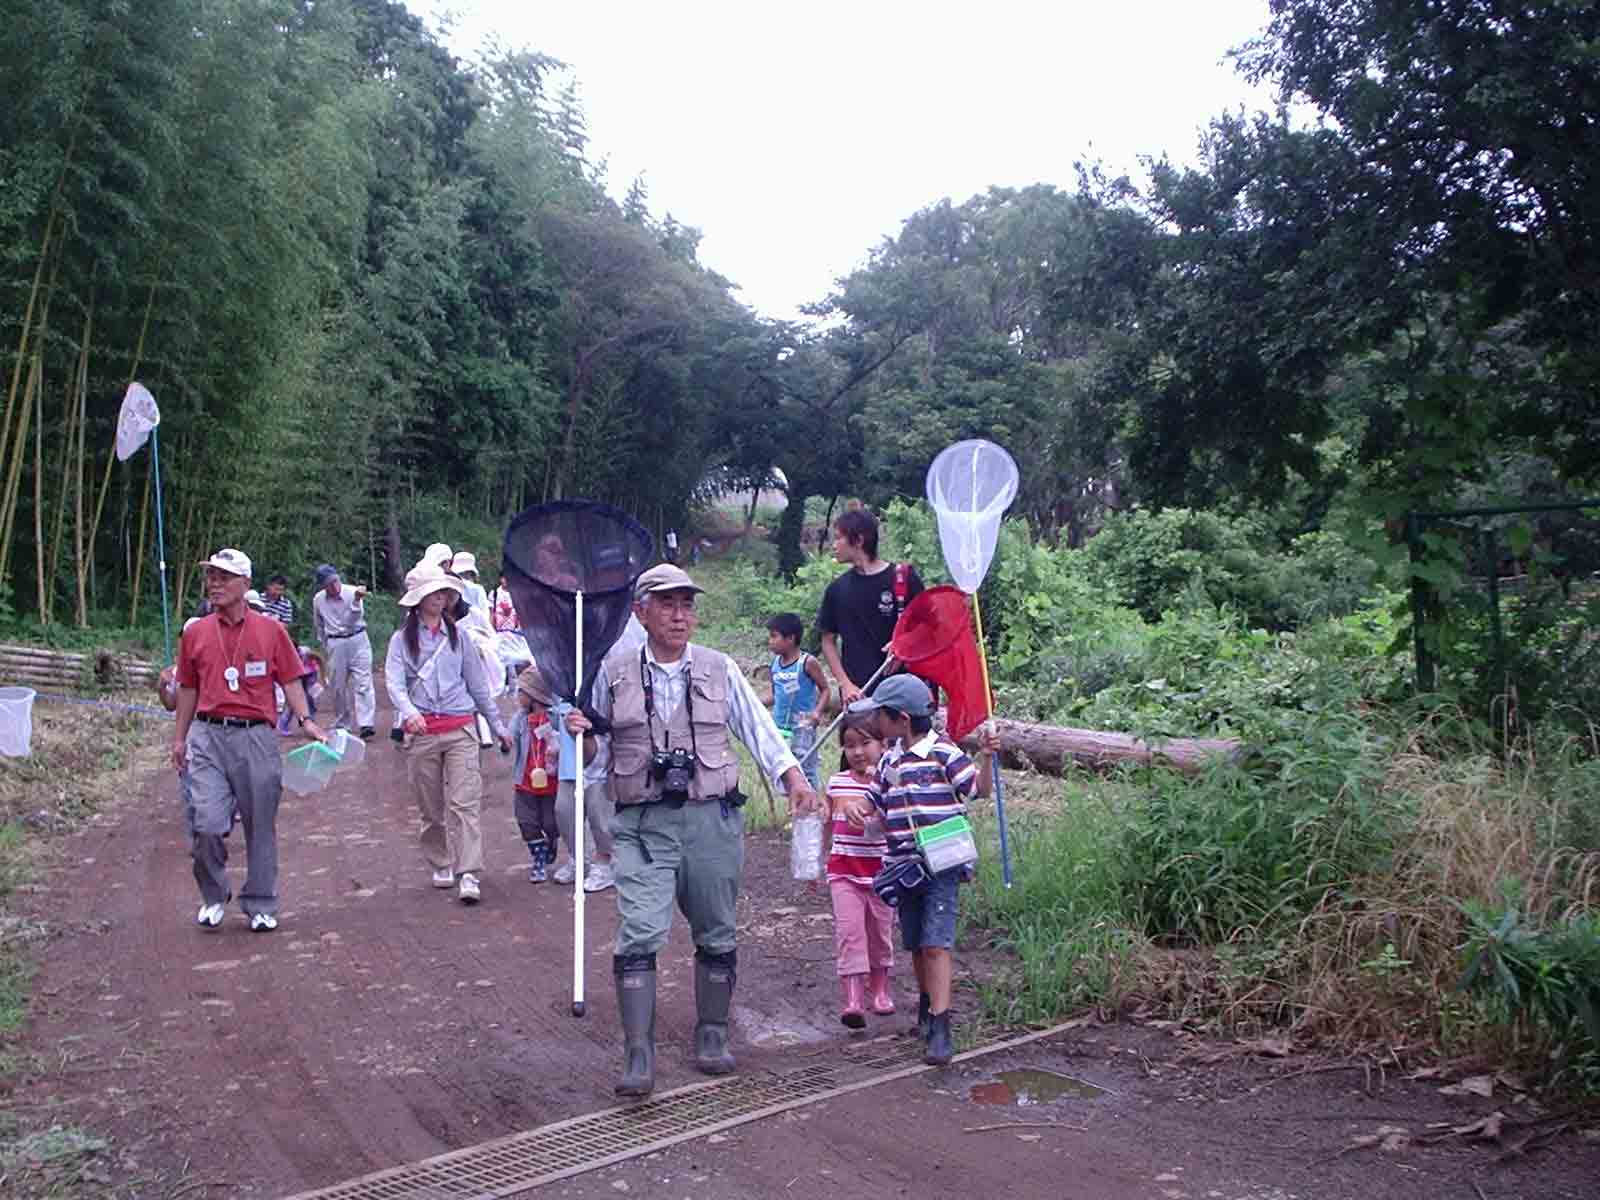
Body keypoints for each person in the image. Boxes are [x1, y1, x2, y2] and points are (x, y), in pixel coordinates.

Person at [566, 563, 818, 1097]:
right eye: (667, 604)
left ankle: (712, 1032)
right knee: (639, 932)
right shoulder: (611, 671)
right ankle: (638, 1052)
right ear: (641, 612)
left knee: (717, 929)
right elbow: (595, 762)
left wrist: (793, 776)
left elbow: (760, 729)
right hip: (641, 824)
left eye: (687, 605)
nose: (680, 615)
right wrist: (581, 733)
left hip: (711, 820)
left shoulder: (719, 667)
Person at [844, 675, 998, 1065]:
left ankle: (942, 1025)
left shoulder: (943, 753)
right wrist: (860, 811)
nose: (876, 721)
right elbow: (877, 803)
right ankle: (928, 1006)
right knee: (915, 942)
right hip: (902, 864)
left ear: (900, 718)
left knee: (936, 943)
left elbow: (977, 790)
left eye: (881, 715)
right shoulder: (890, 760)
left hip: (942, 864)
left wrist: (987, 758)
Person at [171, 549, 327, 932]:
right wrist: (180, 738)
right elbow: (188, 688)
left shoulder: (271, 630)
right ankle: (213, 893)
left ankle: (260, 901)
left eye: (223, 577)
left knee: (260, 822)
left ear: (245, 584)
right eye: (210, 577)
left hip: (256, 736)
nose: (214, 584)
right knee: (205, 822)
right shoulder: (195, 632)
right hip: (207, 735)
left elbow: (290, 678)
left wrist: (305, 719)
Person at [384, 563, 511, 905]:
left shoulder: (460, 637)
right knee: (430, 806)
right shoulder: (401, 641)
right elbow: (395, 683)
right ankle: (440, 861)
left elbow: (478, 685)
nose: (440, 598)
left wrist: (497, 725)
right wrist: (409, 714)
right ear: (419, 598)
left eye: (444, 592)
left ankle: (468, 871)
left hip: (460, 728)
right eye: (433, 592)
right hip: (423, 730)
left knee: (465, 802)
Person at [821, 711, 896, 1027]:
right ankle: (852, 999)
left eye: (865, 743)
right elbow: (826, 825)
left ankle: (879, 990)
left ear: (883, 744)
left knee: (880, 934)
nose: (857, 752)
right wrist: (818, 861)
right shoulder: (836, 784)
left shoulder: (890, 784)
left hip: (882, 874)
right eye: (849, 745)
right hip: (843, 872)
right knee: (850, 934)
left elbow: (899, 823)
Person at [817, 508, 924, 705]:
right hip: (859, 693)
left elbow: (928, 627)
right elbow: (827, 640)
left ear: (858, 540)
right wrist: (845, 684)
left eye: (839, 538)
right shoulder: (837, 590)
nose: (834, 545)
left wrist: (904, 642)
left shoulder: (903, 578)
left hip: (902, 692)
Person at [764, 612, 830, 791]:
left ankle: (813, 811)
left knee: (806, 771)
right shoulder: (775, 664)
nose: (770, 641)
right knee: (785, 771)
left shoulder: (807, 663)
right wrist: (756, 704)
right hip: (779, 728)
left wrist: (817, 713)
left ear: (791, 638)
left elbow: (825, 690)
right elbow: (775, 695)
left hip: (802, 728)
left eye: (774, 636)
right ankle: (795, 811)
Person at [312, 564, 377, 739]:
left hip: (357, 638)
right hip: (335, 641)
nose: (334, 586)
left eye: (335, 581)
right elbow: (318, 624)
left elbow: (352, 619)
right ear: (323, 586)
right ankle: (343, 721)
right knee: (337, 685)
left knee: (363, 682)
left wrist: (356, 601)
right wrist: (325, 644)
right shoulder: (319, 600)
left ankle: (366, 724)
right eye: (328, 584)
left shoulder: (352, 593)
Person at [511, 663, 562, 883]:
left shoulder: (557, 717)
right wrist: (504, 742)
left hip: (551, 782)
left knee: (551, 822)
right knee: (526, 822)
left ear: (534, 695)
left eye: (521, 691)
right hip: (525, 781)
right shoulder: (521, 719)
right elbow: (510, 736)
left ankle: (551, 839)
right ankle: (539, 859)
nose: (517, 695)